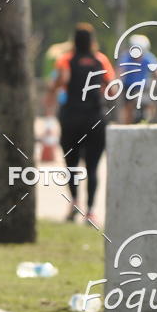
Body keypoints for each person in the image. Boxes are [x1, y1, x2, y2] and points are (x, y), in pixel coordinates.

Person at [49, 22, 114, 227]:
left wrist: (55, 88)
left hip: (71, 117)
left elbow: (61, 81)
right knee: (93, 167)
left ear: (74, 41)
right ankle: (91, 211)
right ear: (92, 41)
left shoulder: (66, 59)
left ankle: (74, 203)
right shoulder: (101, 60)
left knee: (72, 165)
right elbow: (112, 89)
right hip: (95, 118)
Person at [117, 34, 157, 124]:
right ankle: (127, 126)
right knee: (128, 107)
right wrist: (117, 85)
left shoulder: (148, 57)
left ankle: (150, 123)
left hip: (143, 87)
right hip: (129, 87)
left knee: (151, 104)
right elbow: (119, 72)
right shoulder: (126, 58)